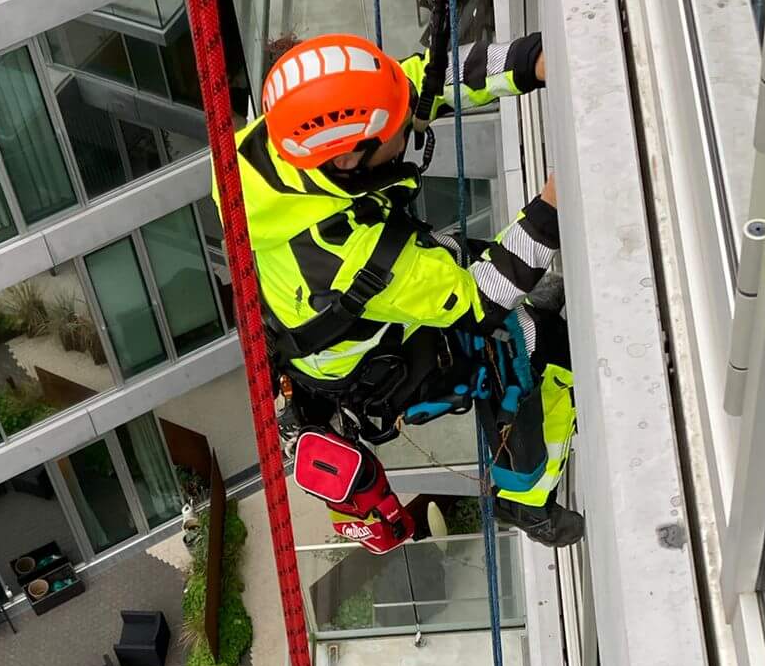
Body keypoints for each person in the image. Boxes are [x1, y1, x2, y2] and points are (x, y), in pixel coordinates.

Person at [219, 28, 580, 547]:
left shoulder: (277, 144)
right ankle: (526, 498)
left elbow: (419, 81)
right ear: (348, 159)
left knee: (470, 260)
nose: (408, 118)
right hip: (380, 363)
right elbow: (477, 301)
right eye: (394, 125)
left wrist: (533, 60)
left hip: (341, 315)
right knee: (536, 342)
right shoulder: (352, 257)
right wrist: (551, 207)